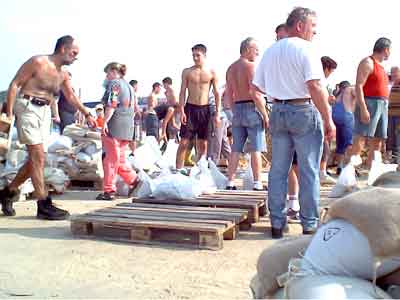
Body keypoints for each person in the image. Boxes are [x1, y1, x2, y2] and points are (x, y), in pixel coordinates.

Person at [253, 7, 335, 238]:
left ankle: (277, 223)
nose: (314, 32)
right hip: (303, 110)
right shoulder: (306, 49)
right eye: (313, 27)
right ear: (300, 25)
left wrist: (277, 94)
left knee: (278, 169)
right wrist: (328, 119)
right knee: (308, 169)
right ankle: (309, 223)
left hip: (278, 109)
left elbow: (255, 88)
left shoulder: (270, 51)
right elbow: (315, 86)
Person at [1, 35, 96, 219]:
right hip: (27, 107)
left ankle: (8, 191)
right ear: (63, 49)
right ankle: (43, 203)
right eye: (74, 52)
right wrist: (10, 112)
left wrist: (87, 113)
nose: (76, 57)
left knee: (36, 160)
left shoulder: (63, 74)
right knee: (37, 155)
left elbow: (71, 97)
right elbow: (15, 84)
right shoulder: (38, 62)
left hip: (45, 113)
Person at [224, 37, 268, 191]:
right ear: (248, 49)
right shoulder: (251, 67)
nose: (257, 53)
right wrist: (265, 115)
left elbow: (228, 93)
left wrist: (233, 111)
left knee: (236, 148)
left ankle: (230, 181)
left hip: (237, 109)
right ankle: (257, 183)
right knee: (256, 147)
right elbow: (255, 93)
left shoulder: (230, 68)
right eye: (256, 50)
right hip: (251, 107)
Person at [96, 62, 141, 200]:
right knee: (119, 158)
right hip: (127, 127)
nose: (106, 76)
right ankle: (134, 180)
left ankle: (109, 191)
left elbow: (111, 104)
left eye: (108, 72)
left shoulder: (114, 84)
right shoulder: (129, 86)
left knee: (109, 159)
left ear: (115, 71)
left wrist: (105, 122)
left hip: (114, 125)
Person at [175, 44, 221, 171]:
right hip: (190, 109)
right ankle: (178, 171)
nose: (195, 58)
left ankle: (201, 170)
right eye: (193, 55)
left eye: (198, 55)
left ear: (204, 56)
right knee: (184, 142)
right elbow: (182, 91)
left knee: (203, 143)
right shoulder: (187, 71)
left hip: (205, 109)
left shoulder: (211, 72)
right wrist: (182, 110)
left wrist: (218, 113)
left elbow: (217, 93)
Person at [350, 37, 391, 168]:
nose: (390, 53)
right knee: (360, 140)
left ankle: (372, 175)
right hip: (369, 103)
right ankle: (348, 175)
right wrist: (363, 108)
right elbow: (358, 86)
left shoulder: (382, 67)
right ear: (386, 49)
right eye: (390, 50)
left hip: (383, 105)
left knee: (378, 141)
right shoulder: (368, 62)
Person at [319, 56, 337, 184]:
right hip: (320, 117)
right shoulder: (319, 81)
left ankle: (321, 171)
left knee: (325, 146)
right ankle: (321, 172)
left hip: (323, 116)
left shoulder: (323, 82)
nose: (330, 74)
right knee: (324, 146)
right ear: (326, 68)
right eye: (331, 71)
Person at [332, 81, 356, 174]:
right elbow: (357, 95)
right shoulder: (350, 90)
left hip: (336, 118)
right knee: (349, 143)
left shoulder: (337, 94)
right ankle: (348, 167)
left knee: (340, 144)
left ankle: (339, 167)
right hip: (347, 116)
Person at [128, 79, 140, 154]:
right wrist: (140, 114)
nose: (138, 88)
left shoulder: (128, 94)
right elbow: (135, 106)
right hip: (131, 118)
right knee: (133, 138)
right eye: (137, 86)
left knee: (129, 137)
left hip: (127, 117)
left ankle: (131, 152)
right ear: (134, 86)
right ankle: (133, 153)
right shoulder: (133, 94)